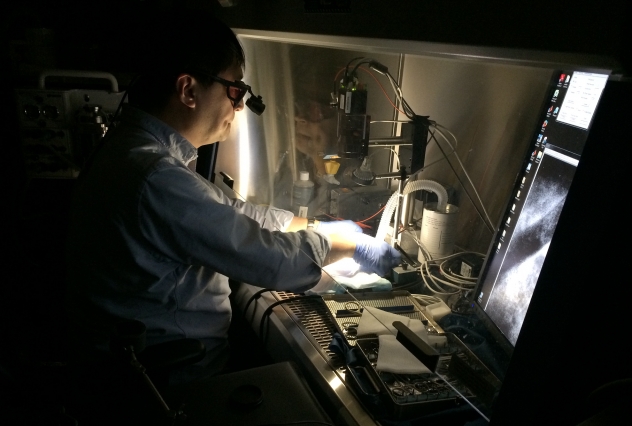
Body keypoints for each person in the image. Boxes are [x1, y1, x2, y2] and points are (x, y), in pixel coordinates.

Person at [65, 12, 401, 384]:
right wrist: (347, 244)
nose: (239, 106)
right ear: (189, 90)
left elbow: (230, 213)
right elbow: (271, 260)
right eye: (235, 89)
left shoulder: (133, 152)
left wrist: (316, 225)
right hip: (173, 380)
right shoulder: (156, 179)